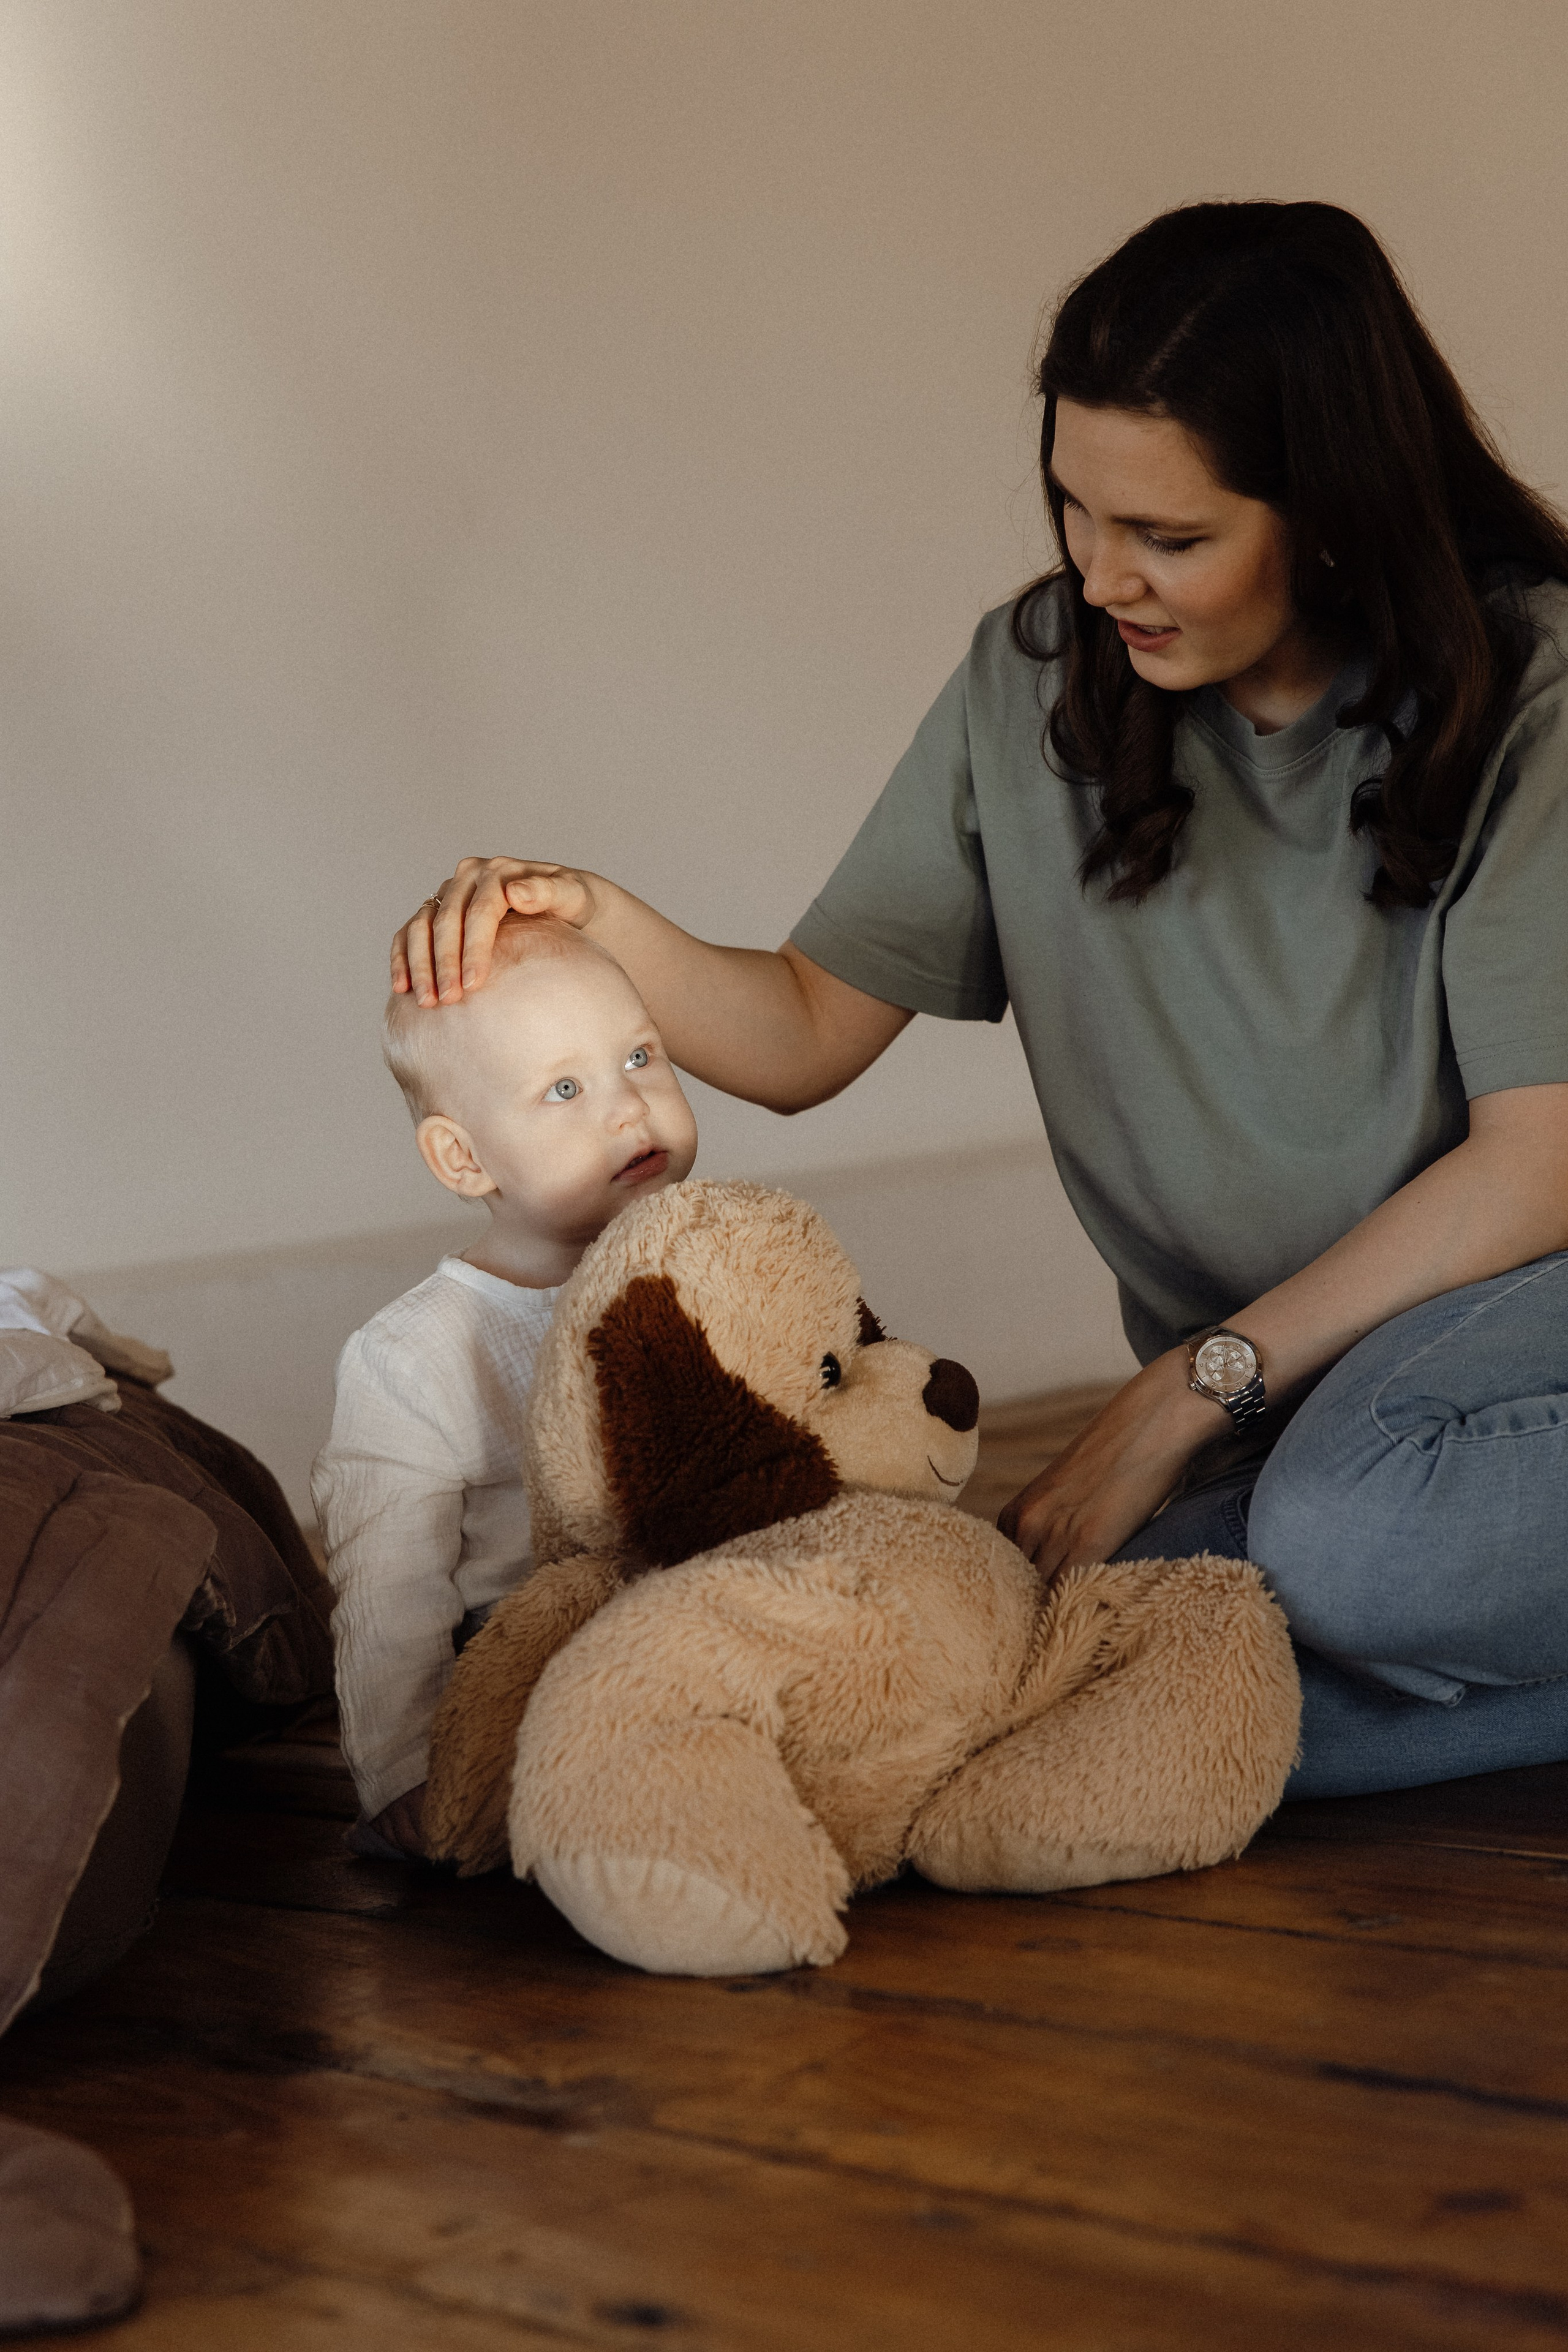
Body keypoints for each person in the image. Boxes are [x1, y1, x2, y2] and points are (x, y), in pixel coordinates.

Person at [390, 202, 1568, 1801]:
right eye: (1075, 510)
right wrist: (597, 918)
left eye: (1169, 537)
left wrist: (1182, 1390)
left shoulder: (1537, 693)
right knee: (1059, 1630)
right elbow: (806, 1032)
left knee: (1333, 1546)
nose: (1100, 576)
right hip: (1313, 1398)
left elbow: (1533, 1168)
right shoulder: (1033, 681)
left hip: (1500, 1336)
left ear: (1338, 518)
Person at [313, 914, 698, 1856]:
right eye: (564, 1088)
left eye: (640, 1056)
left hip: (697, 1623)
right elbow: (386, 1585)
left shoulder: (709, 1268)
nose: (627, 1107)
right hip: (530, 1667)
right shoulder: (418, 1353)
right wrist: (405, 1767)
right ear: (464, 1159)